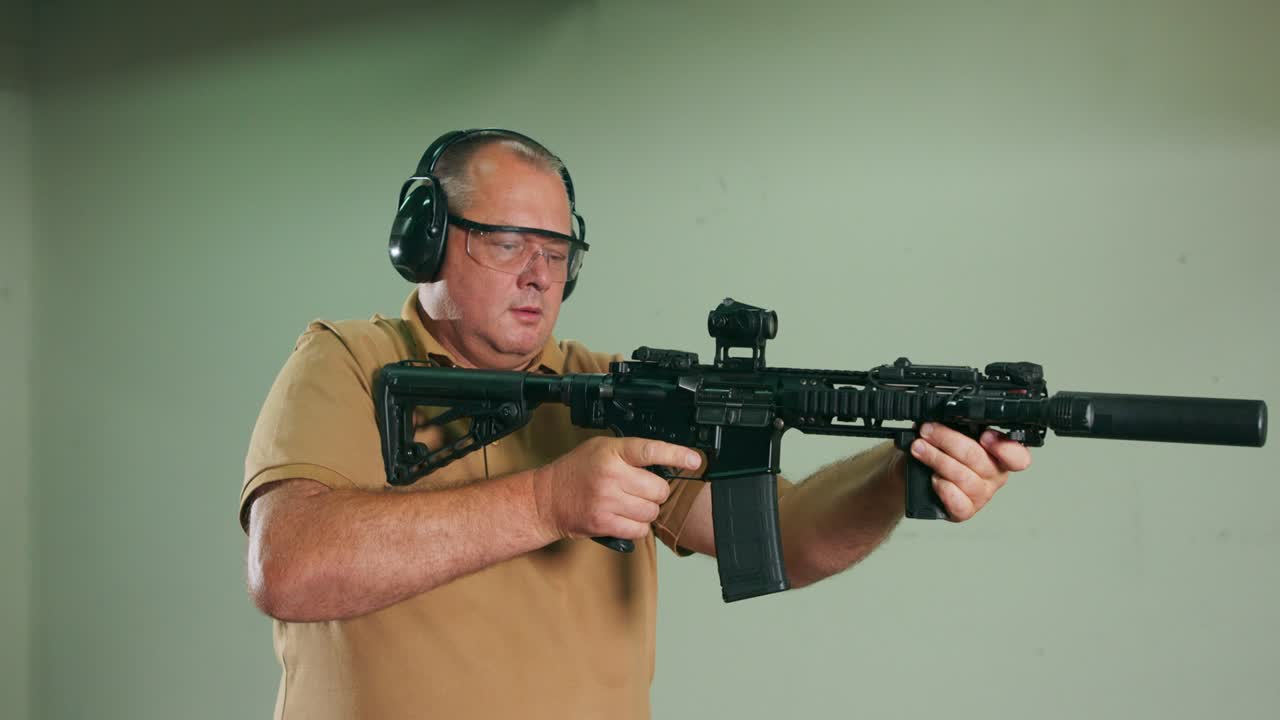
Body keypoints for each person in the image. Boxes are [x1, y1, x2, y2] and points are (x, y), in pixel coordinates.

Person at [240, 129, 1032, 719]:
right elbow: (289, 566)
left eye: (559, 250)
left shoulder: (610, 387)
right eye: (509, 241)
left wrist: (902, 472)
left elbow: (785, 536)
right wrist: (547, 503)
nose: (538, 273)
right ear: (428, 240)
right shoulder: (348, 361)